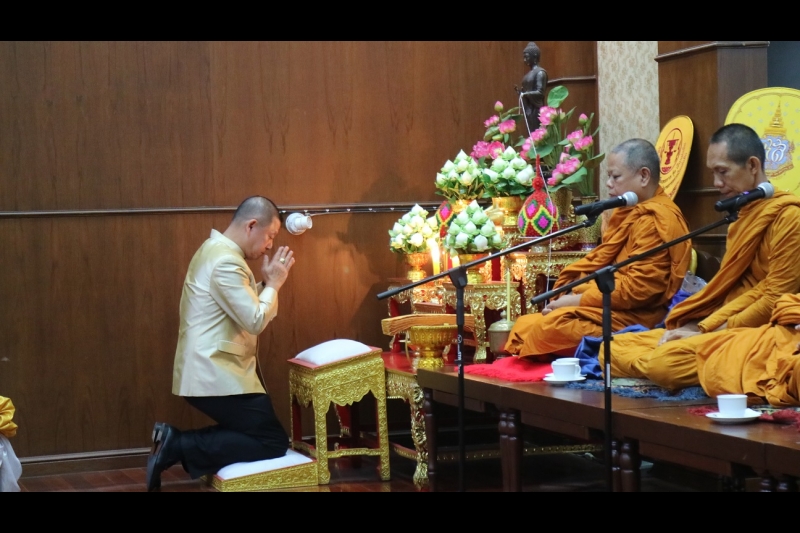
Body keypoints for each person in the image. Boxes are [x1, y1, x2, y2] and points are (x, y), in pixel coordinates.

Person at [605, 124, 800, 389]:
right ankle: (696, 363)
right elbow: (732, 288)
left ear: (753, 166)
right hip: (722, 323)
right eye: (713, 173)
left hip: (759, 330)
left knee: (664, 364)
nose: (716, 183)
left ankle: (687, 365)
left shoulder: (789, 217)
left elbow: (773, 297)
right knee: (611, 348)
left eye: (723, 172)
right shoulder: (742, 214)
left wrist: (706, 329)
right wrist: (697, 326)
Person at [146, 196, 296, 491]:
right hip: (216, 372)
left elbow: (236, 304)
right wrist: (275, 285)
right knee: (272, 441)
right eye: (270, 236)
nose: (269, 245)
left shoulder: (214, 250)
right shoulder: (227, 260)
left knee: (258, 434)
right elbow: (253, 318)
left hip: (213, 368)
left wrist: (265, 285)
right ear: (252, 225)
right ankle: (177, 444)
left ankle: (176, 442)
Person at [504, 139, 692, 360]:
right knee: (526, 325)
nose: (609, 184)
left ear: (643, 176)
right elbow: (607, 268)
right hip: (609, 306)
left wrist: (573, 301)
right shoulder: (627, 212)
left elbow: (639, 290)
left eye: (616, 177)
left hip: (637, 316)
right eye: (608, 177)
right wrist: (575, 294)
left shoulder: (655, 219)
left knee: (548, 329)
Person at [694, 293, 800, 407]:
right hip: (773, 337)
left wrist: (709, 326)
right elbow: (785, 304)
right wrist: (705, 327)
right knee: (673, 361)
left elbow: (770, 298)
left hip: (791, 360)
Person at [517, 42, 548, 133]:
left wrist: (525, 94)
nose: (524, 59)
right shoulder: (528, 74)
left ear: (534, 56)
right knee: (530, 134)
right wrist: (521, 93)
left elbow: (540, 93)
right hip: (529, 109)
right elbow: (526, 90)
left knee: (536, 134)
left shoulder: (540, 73)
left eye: (526, 56)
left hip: (536, 110)